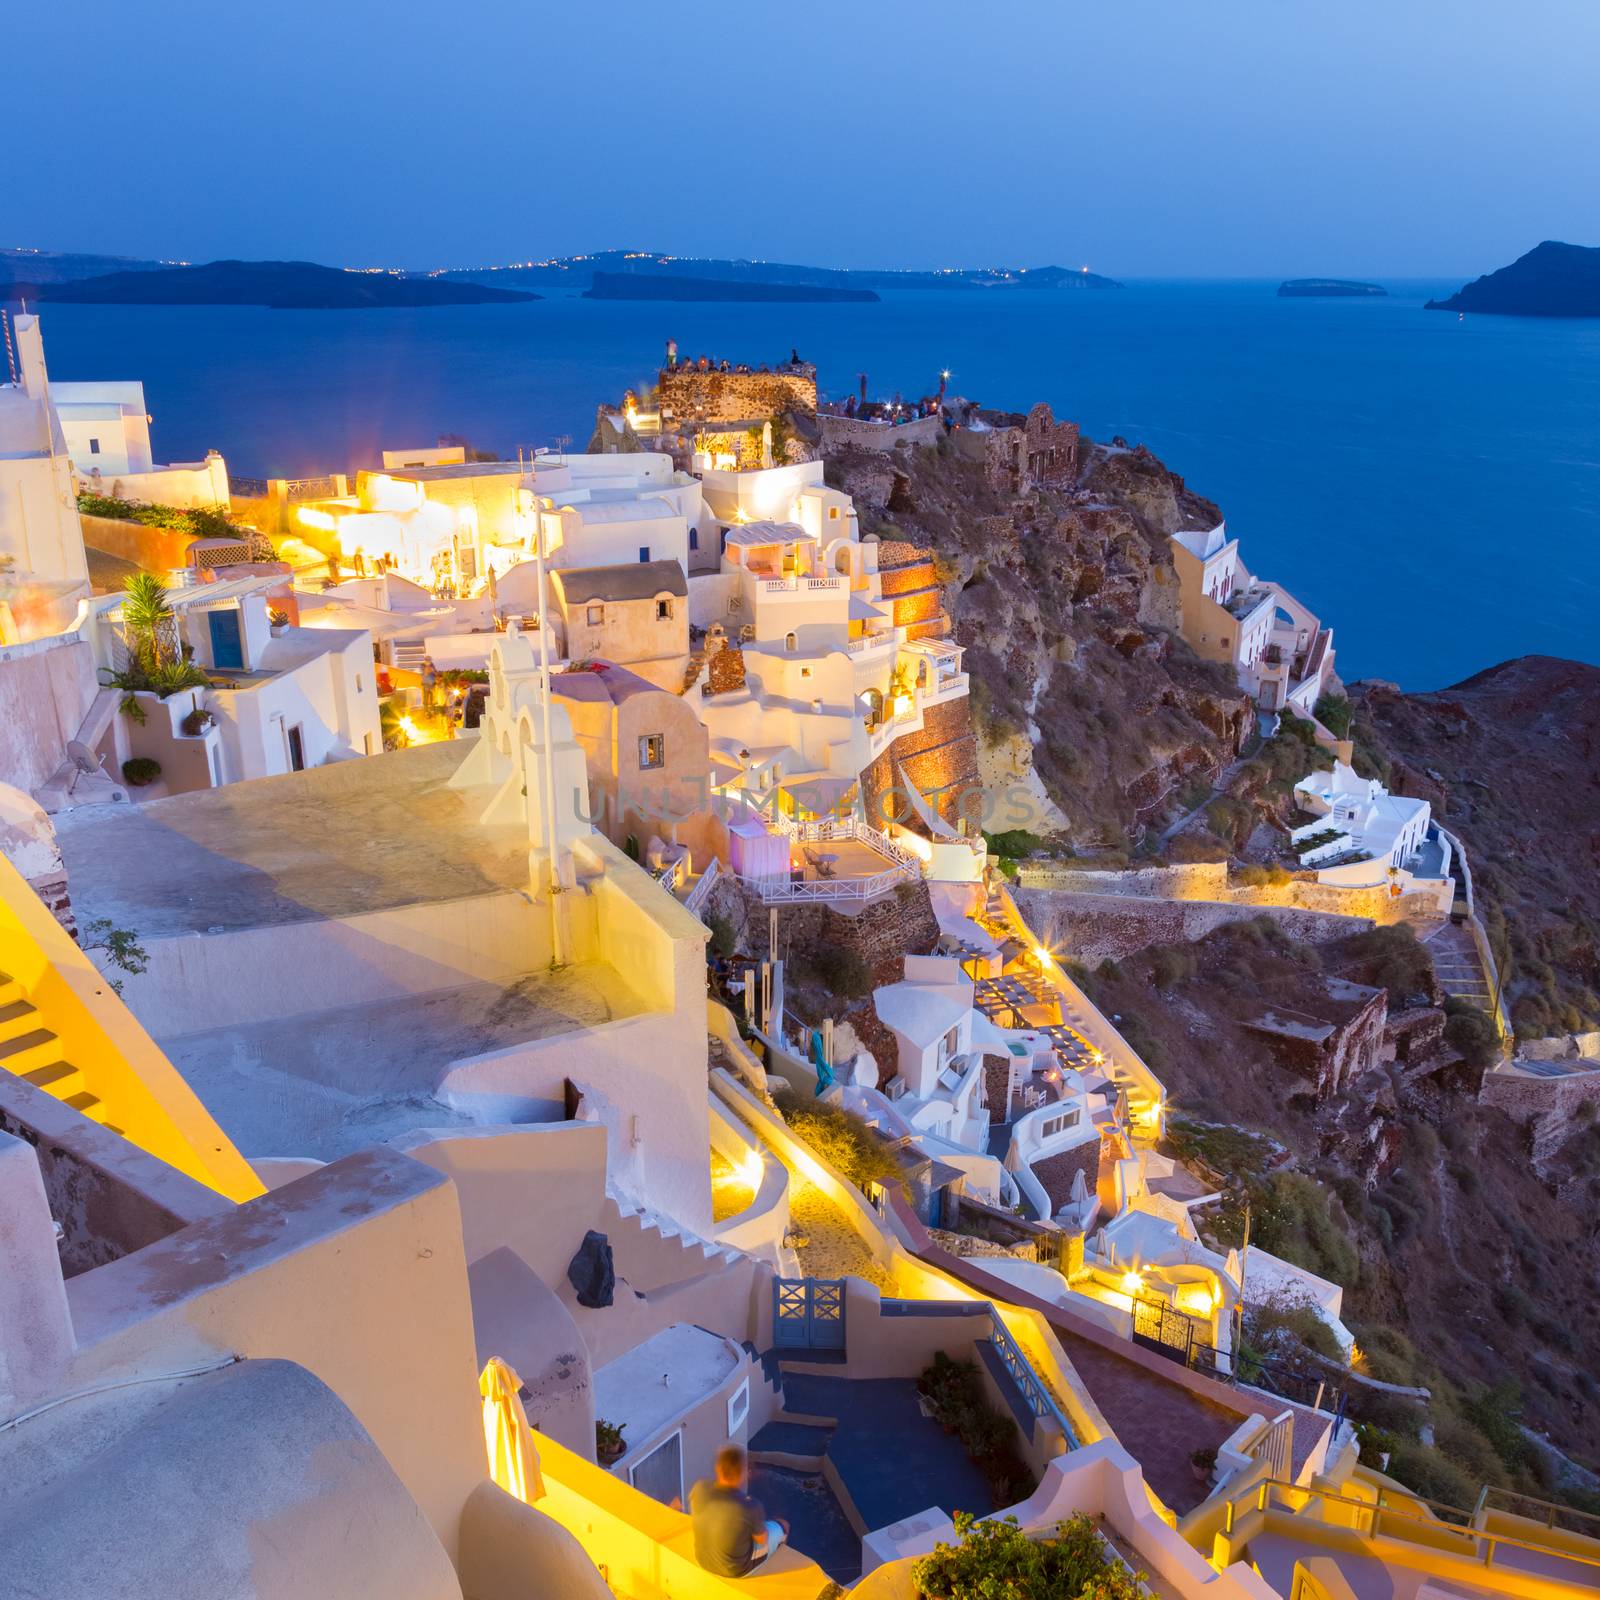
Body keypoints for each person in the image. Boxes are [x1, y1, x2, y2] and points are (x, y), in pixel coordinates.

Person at [689, 1444, 787, 1577]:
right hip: (735, 1570)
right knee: (783, 1525)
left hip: (702, 1559)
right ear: (743, 1474)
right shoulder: (750, 1506)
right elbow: (762, 1540)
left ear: (718, 1469)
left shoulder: (699, 1488)